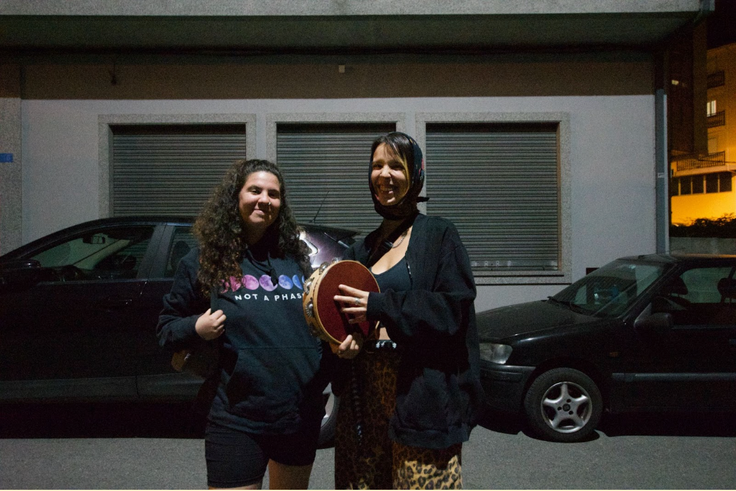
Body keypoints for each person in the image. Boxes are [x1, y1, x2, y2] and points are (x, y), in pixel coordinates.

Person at [157, 159, 328, 490]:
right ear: (235, 197)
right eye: (255, 190)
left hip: (297, 416)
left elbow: (316, 324)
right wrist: (196, 327)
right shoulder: (203, 261)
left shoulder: (294, 259)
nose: (265, 199)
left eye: (274, 194)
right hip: (237, 420)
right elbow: (166, 328)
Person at [331, 132, 484, 489]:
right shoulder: (362, 248)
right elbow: (350, 316)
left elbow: (452, 309)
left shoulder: (438, 235)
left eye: (396, 166)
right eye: (376, 166)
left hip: (422, 395)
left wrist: (380, 304)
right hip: (363, 395)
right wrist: (348, 340)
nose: (384, 174)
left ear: (415, 174)